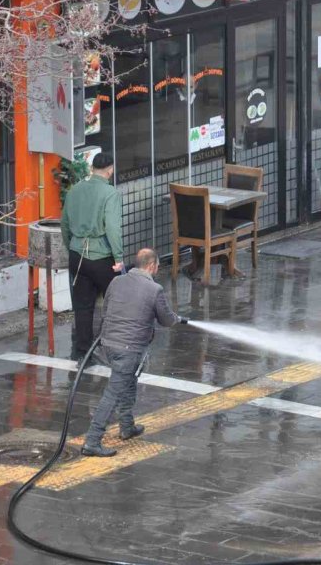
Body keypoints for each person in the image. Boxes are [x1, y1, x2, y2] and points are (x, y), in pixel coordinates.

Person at [82, 248, 188, 457]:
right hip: (128, 348)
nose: (157, 270)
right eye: (157, 266)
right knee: (113, 393)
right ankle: (92, 441)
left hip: (109, 344)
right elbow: (166, 320)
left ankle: (127, 426)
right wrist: (176, 318)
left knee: (128, 381)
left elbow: (107, 310)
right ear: (150, 266)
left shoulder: (116, 282)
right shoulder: (154, 289)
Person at [61, 152, 123, 365]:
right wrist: (119, 257)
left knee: (83, 307)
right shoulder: (110, 193)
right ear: (110, 169)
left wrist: (72, 246)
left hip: (77, 255)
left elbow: (65, 225)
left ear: (92, 168)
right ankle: (115, 350)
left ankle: (82, 354)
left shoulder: (74, 191)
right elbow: (113, 228)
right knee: (115, 304)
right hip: (102, 257)